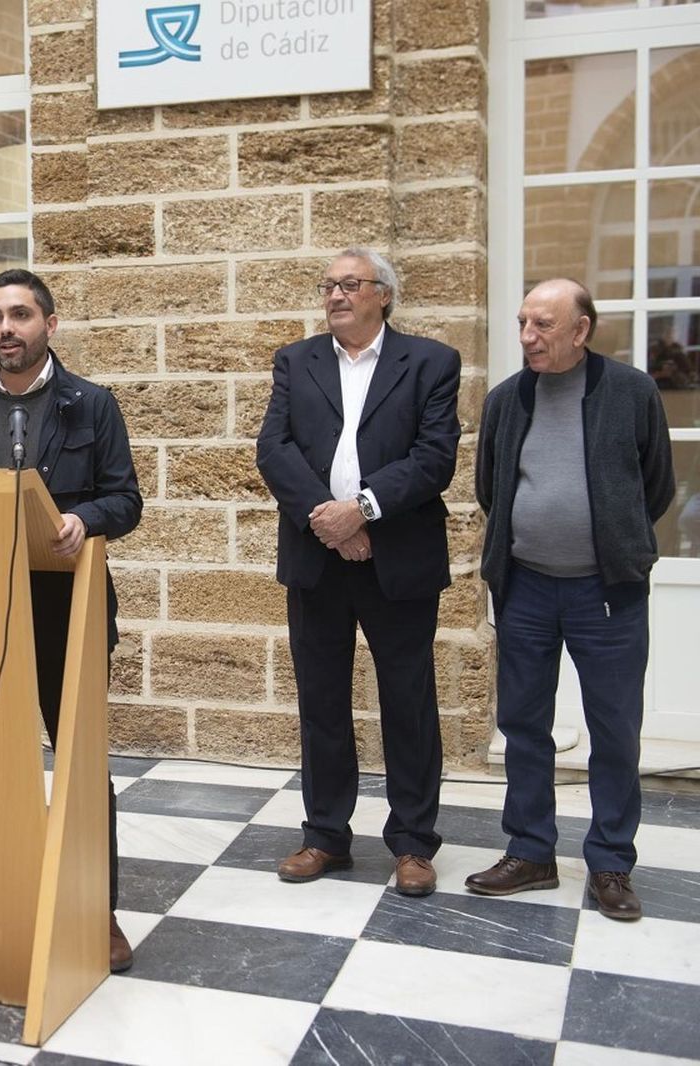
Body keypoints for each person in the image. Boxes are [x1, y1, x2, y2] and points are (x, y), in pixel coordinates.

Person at [0, 268, 143, 973]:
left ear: (50, 325)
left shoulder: (91, 404)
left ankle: (98, 910)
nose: (5, 329)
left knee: (79, 764)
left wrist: (82, 517)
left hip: (65, 608)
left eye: (20, 315)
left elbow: (126, 501)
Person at [465, 278, 674, 921]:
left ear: (581, 331)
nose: (528, 337)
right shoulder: (506, 400)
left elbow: (656, 484)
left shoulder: (632, 391)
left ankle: (611, 863)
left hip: (605, 591)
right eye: (523, 323)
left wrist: (616, 542)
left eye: (543, 326)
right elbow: (489, 487)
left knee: (615, 729)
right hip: (526, 586)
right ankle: (530, 851)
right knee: (524, 725)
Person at [254, 248, 460, 897]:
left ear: (384, 296)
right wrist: (330, 521)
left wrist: (363, 511)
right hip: (319, 556)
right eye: (330, 286)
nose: (337, 295)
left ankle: (413, 843)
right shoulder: (297, 360)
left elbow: (434, 458)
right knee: (321, 702)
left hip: (396, 557)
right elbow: (274, 448)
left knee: (408, 701)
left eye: (351, 285)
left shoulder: (430, 362)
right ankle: (325, 835)